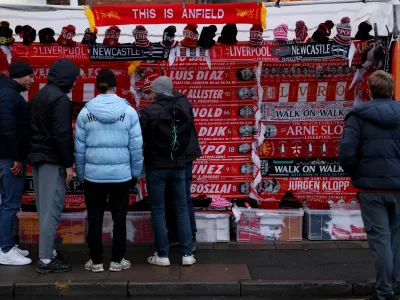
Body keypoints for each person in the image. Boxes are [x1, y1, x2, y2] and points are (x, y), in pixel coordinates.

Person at [339, 70, 400, 300]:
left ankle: (385, 293)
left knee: (380, 239)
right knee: (395, 239)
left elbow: (346, 153)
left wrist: (357, 173)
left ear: (369, 92)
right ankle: (389, 288)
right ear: (391, 90)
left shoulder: (358, 116)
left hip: (372, 189)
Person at [75, 69, 143, 273]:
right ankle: (117, 260)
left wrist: (80, 174)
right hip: (121, 176)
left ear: (98, 87)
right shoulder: (129, 111)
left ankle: (95, 261)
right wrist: (135, 173)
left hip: (93, 176)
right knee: (119, 218)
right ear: (114, 87)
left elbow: (79, 149)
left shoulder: (85, 112)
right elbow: (136, 147)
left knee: (94, 218)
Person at [29, 59, 80, 274]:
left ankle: (48, 252)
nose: (75, 83)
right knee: (51, 211)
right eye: (74, 79)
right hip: (52, 160)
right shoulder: (60, 99)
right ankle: (46, 260)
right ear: (66, 77)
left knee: (44, 210)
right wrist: (68, 164)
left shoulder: (40, 94)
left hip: (39, 158)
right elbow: (62, 135)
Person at [140, 76, 196, 267]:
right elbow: (189, 135)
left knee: (157, 210)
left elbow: (142, 138)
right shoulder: (183, 108)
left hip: (156, 167)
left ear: (155, 92)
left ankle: (162, 255)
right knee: (181, 207)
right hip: (179, 165)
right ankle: (187, 254)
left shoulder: (147, 111)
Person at [0, 61, 33, 266]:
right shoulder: (9, 96)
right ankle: (5, 249)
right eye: (29, 76)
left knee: (6, 203)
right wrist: (17, 158)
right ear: (19, 76)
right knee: (10, 204)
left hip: (7, 157)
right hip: (9, 159)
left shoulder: (8, 94)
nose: (32, 80)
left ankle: (8, 244)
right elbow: (9, 130)